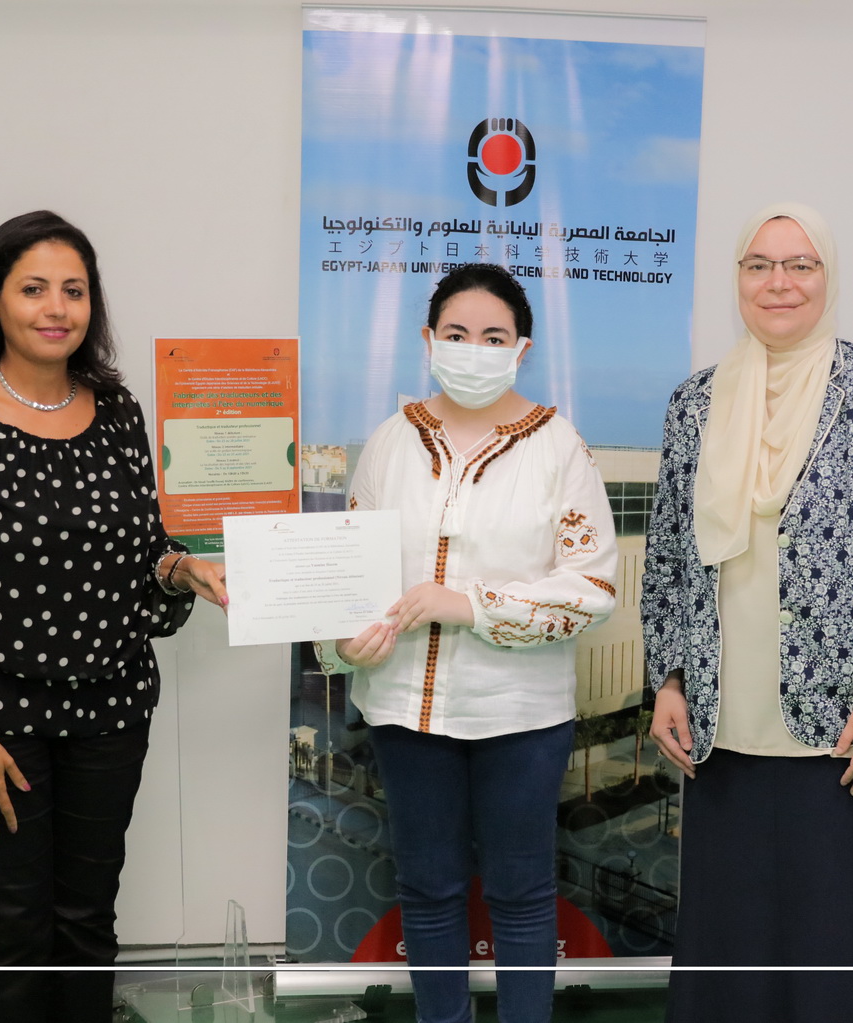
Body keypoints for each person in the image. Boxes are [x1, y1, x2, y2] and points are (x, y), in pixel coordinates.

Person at [0, 210, 228, 1023]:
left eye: (73, 291)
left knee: (86, 922)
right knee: (12, 927)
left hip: (110, 708)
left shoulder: (116, 411)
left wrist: (181, 567)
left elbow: (140, 548)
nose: (56, 308)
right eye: (34, 288)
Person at [641, 202, 853, 1023]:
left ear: (827, 276)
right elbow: (667, 553)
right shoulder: (695, 401)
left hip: (845, 720)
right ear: (738, 278)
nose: (779, 282)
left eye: (799, 264)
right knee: (731, 930)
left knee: (834, 929)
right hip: (721, 720)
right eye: (759, 264)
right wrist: (667, 680)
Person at [332, 263, 618, 1023]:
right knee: (427, 888)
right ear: (428, 340)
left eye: (494, 336)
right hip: (403, 705)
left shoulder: (558, 447)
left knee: (521, 891)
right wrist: (346, 641)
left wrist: (469, 605)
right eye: (457, 333)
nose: (474, 349)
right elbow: (349, 570)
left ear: (522, 348)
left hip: (521, 712)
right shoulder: (391, 442)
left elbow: (592, 588)